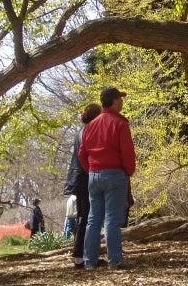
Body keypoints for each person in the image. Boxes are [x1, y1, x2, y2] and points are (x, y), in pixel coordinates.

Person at [78, 87, 136, 270]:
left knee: (93, 219)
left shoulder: (90, 126)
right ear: (113, 100)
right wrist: (128, 171)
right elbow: (127, 152)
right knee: (112, 218)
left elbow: (82, 154)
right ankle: (115, 260)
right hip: (114, 174)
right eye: (120, 98)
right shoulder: (119, 123)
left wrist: (91, 170)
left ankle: (89, 261)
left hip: (94, 176)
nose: (122, 101)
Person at [64, 103, 102, 269]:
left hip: (79, 178)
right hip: (84, 178)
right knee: (86, 217)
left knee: (84, 217)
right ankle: (81, 256)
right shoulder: (88, 131)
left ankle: (83, 255)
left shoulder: (83, 131)